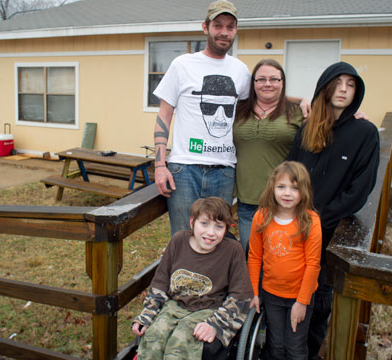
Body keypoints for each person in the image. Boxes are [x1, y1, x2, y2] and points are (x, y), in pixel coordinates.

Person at [286, 61, 380, 359]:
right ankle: (281, 347)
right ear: (325, 89)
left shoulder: (364, 133)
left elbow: (359, 191)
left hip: (325, 234)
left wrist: (317, 219)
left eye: (350, 85)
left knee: (318, 298)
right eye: (337, 83)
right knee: (286, 291)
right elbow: (288, 174)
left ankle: (309, 353)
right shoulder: (307, 129)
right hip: (291, 229)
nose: (343, 90)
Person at [152, 0, 251, 235]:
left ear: (236, 30)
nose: (224, 32)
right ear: (205, 27)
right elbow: (164, 116)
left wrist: (304, 102)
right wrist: (159, 165)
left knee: (215, 239)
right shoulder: (182, 64)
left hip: (224, 171)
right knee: (183, 238)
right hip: (184, 170)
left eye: (230, 27)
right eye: (218, 25)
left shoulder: (241, 71)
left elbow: (264, 102)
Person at [132, 197, 253, 360]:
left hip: (209, 309)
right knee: (154, 337)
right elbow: (160, 284)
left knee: (180, 343)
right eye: (204, 223)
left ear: (226, 229)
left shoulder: (232, 250)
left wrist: (216, 324)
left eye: (218, 226)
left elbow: (241, 296)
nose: (210, 232)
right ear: (192, 222)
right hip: (175, 305)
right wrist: (147, 314)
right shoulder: (178, 241)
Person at [247, 161, 322, 359]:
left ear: (303, 190)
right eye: (281, 187)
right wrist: (254, 291)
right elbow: (254, 257)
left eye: (294, 188)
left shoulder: (310, 221)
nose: (287, 193)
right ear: (272, 188)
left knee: (295, 348)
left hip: (299, 296)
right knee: (276, 346)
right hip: (272, 294)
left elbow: (313, 264)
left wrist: (302, 301)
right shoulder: (261, 217)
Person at [233, 59, 304, 253]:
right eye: (261, 79)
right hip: (247, 200)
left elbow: (327, 123)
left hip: (284, 201)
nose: (267, 84)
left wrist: (353, 112)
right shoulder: (238, 110)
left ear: (282, 82)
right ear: (253, 83)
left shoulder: (298, 112)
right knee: (250, 254)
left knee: (278, 256)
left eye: (274, 79)